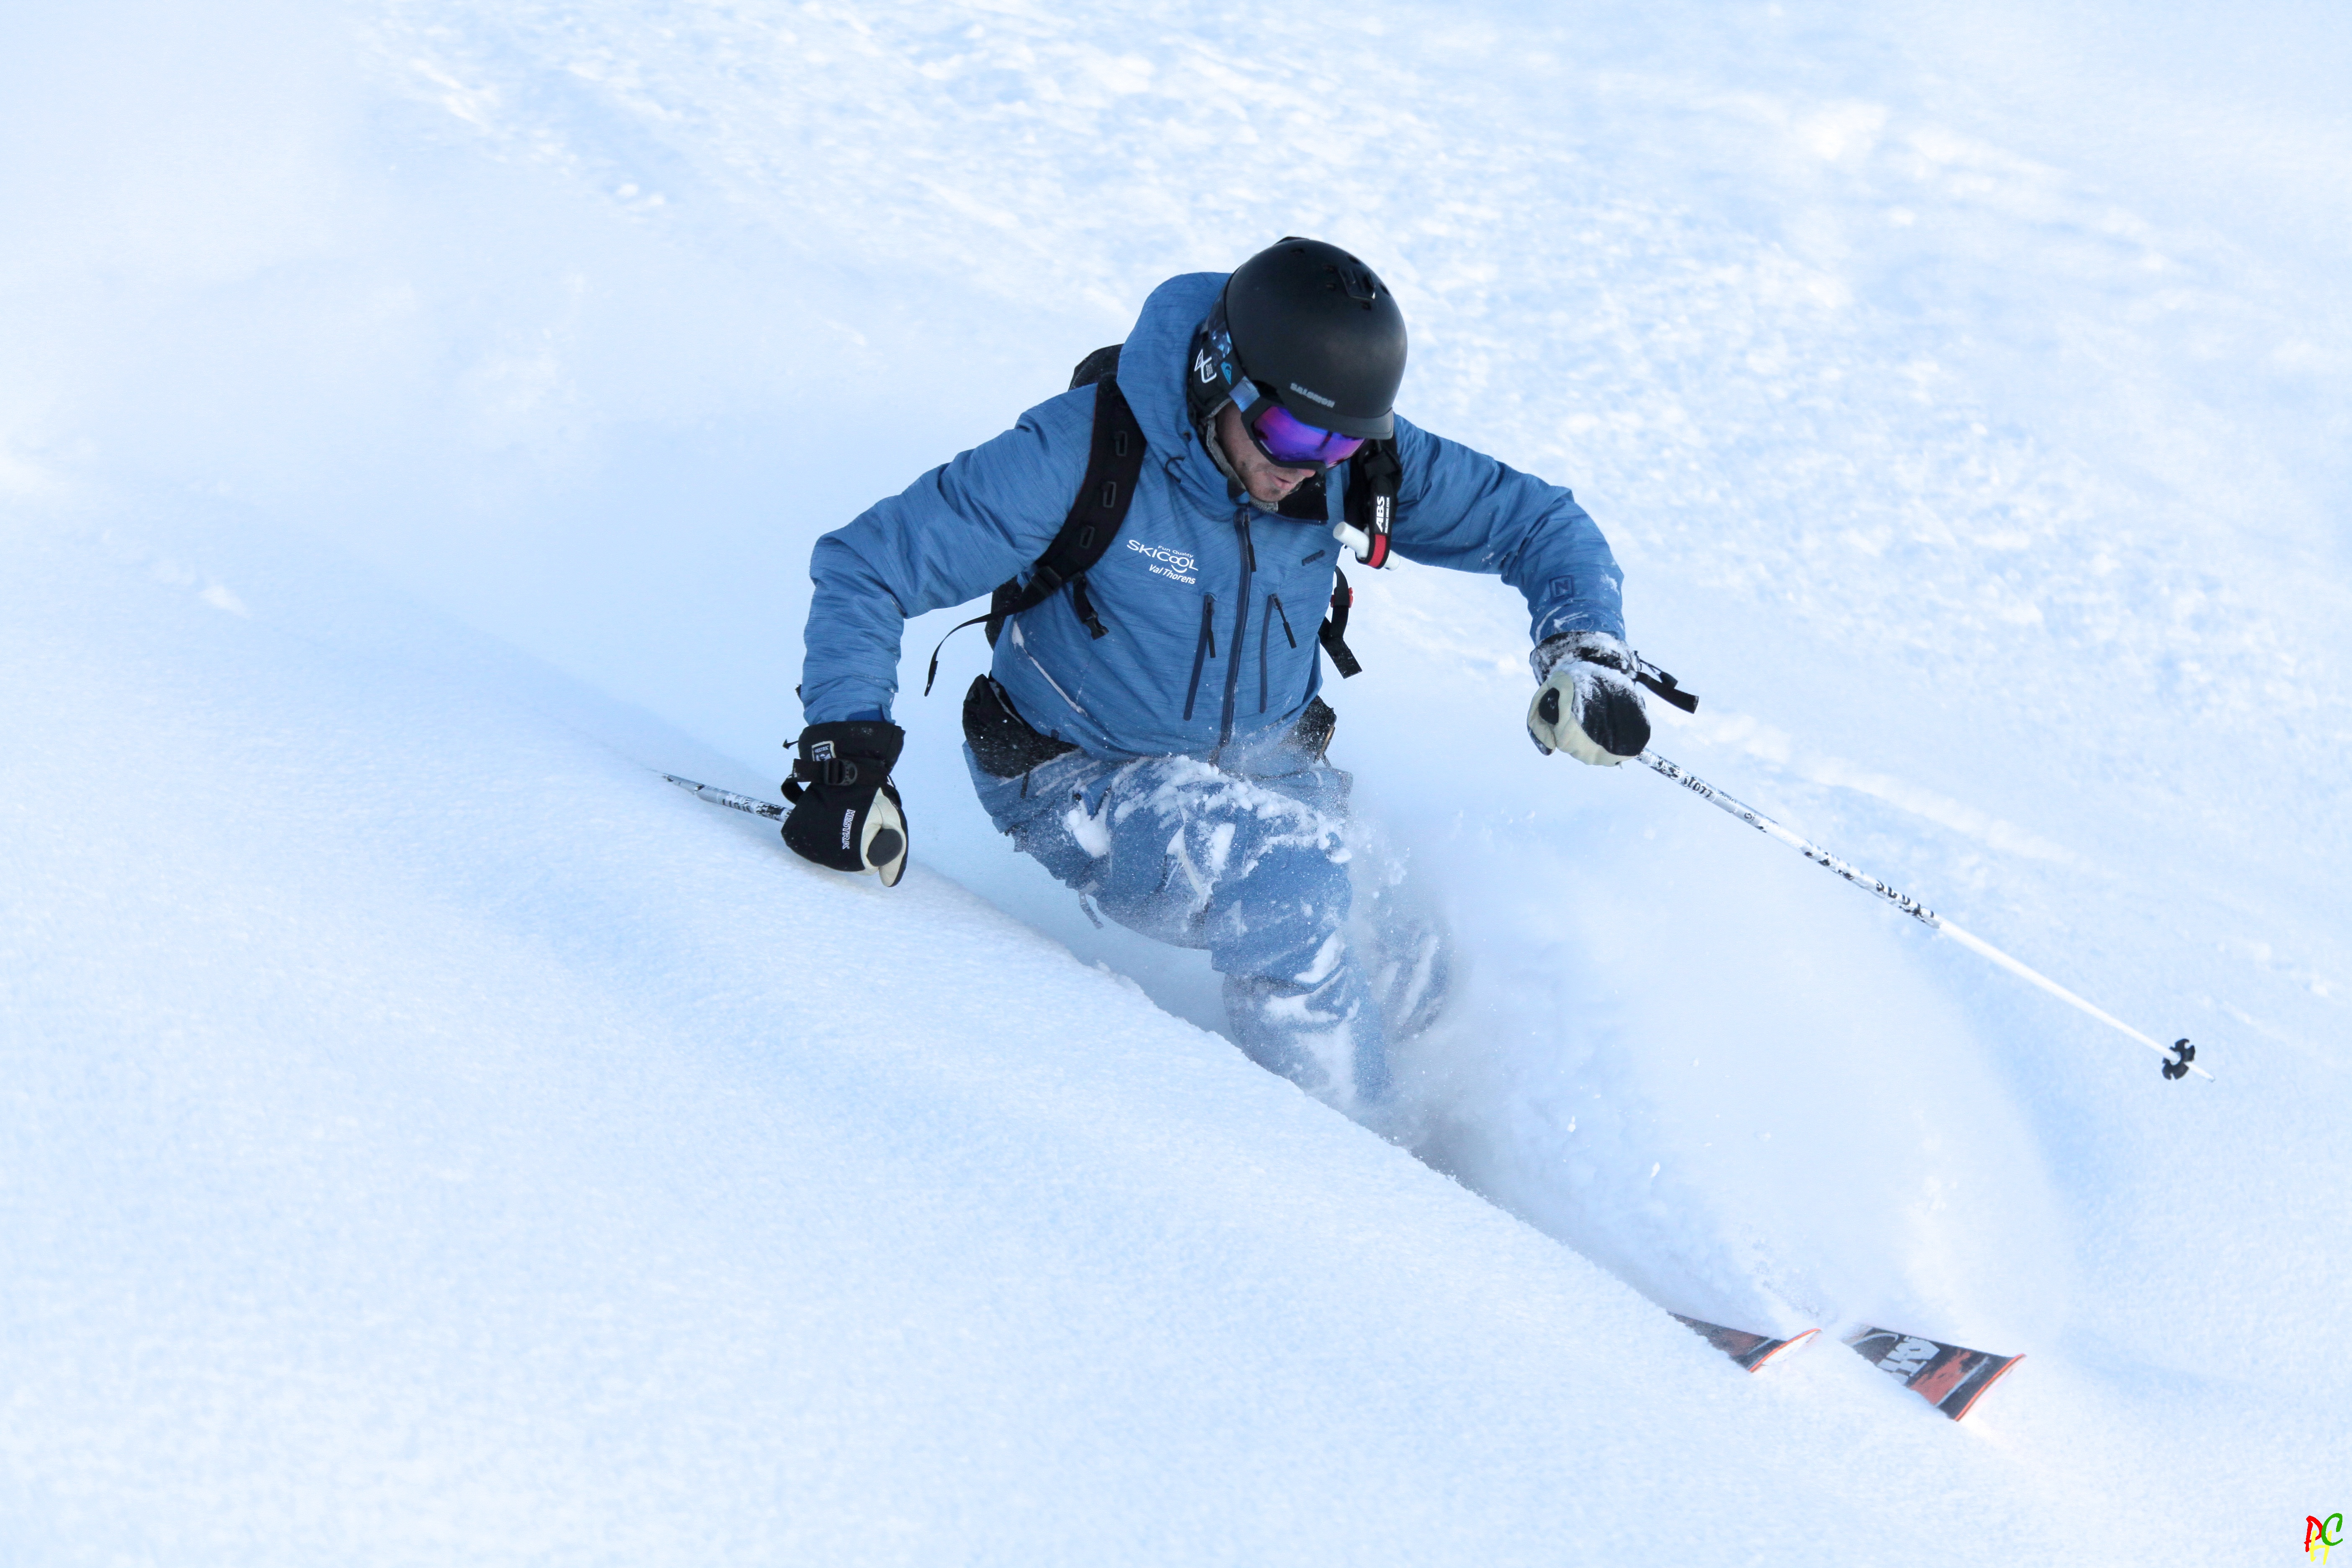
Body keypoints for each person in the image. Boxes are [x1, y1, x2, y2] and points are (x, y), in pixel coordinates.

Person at [786, 238, 1648, 1114]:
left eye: (1343, 444)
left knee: (1413, 953)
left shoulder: (1343, 460)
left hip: (1270, 770)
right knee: (1290, 882)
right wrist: (843, 753)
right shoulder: (1081, 452)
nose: (1309, 464)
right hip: (1080, 774)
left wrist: (1586, 648)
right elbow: (870, 564)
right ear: (1216, 374)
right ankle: (1370, 1197)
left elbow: (1541, 524)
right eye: (1290, 432)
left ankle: (1469, 1145)